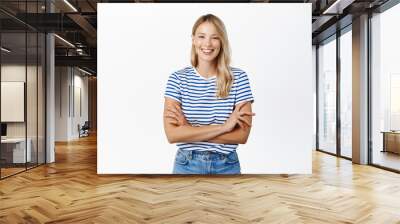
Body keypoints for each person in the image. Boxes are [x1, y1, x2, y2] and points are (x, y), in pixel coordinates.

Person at [163, 14, 255, 174]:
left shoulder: (239, 78)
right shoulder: (177, 79)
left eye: (215, 37)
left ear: (222, 42)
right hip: (186, 165)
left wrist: (189, 130)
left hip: (227, 165)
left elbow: (242, 135)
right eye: (201, 36)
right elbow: (172, 135)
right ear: (193, 39)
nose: (207, 43)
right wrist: (225, 127)